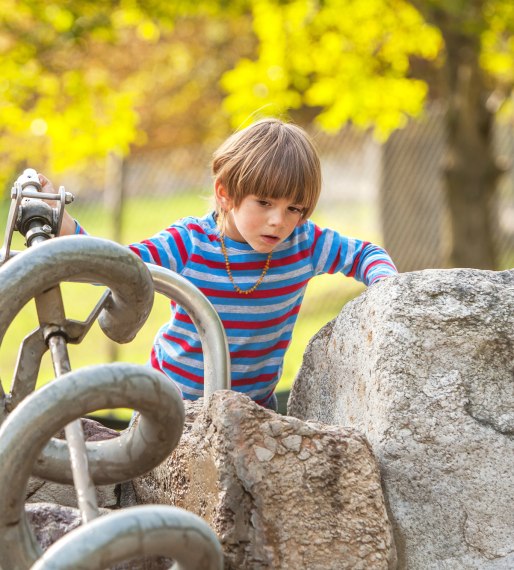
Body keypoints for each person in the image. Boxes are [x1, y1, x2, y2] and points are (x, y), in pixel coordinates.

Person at [40, 118, 397, 411]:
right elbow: (120, 267)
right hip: (174, 404)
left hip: (253, 406)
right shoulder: (190, 241)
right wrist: (68, 228)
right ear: (225, 193)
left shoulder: (304, 242)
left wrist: (386, 289)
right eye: (265, 203)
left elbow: (365, 254)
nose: (279, 221)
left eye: (294, 208)